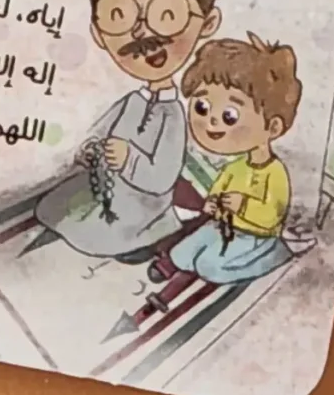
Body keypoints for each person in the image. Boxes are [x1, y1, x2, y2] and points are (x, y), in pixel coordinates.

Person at [28, 0, 222, 258]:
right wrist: (92, 148)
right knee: (55, 207)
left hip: (142, 205)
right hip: (107, 185)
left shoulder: (174, 117)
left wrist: (128, 158)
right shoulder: (132, 101)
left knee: (98, 233)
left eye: (167, 14)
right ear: (99, 33)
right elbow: (101, 130)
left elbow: (161, 179)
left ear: (207, 23)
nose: (142, 31)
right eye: (118, 14)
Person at [122, 37, 301, 328]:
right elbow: (219, 189)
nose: (212, 122)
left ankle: (270, 256)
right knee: (187, 250)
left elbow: (273, 214)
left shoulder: (275, 172)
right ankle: (172, 271)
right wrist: (215, 203)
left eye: (229, 115)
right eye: (203, 107)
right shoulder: (236, 166)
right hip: (222, 226)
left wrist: (243, 205)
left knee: (209, 264)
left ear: (273, 127)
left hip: (255, 235)